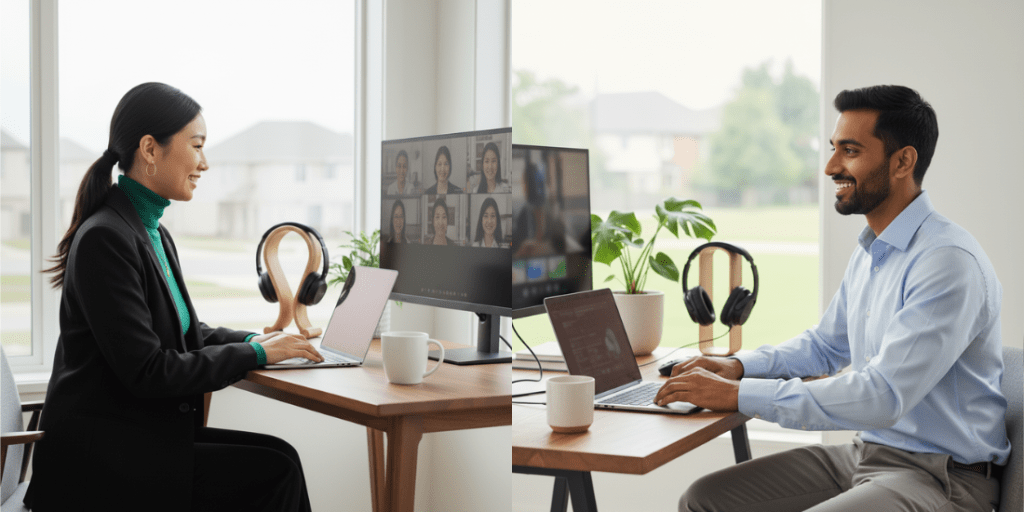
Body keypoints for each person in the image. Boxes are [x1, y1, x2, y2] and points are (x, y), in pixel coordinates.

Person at [655, 85, 1009, 512]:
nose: (830, 167)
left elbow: (882, 396)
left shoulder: (947, 262)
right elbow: (826, 346)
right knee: (705, 500)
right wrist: (738, 366)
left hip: (943, 478)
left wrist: (737, 394)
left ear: (903, 161)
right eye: (833, 148)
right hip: (868, 455)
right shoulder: (874, 251)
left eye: (850, 151)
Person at [25, 83, 323, 512]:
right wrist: (255, 357)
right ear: (150, 149)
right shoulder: (105, 238)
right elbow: (148, 370)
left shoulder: (151, 231)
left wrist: (257, 343)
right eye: (196, 145)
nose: (204, 162)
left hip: (138, 439)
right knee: (276, 472)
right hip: (101, 462)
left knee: (282, 459)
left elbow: (183, 331)